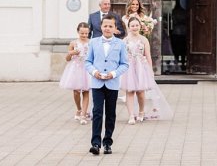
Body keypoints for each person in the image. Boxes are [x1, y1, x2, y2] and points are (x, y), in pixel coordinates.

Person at [85, 15, 129, 156]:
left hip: (112, 83)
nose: (108, 28)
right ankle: (96, 143)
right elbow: (87, 62)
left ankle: (107, 143)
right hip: (97, 83)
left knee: (110, 114)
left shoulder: (121, 44)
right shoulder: (93, 42)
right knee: (97, 112)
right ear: (101, 27)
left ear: (115, 28)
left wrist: (114, 74)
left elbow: (125, 64)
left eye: (111, 26)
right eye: (105, 26)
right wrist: (94, 72)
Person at [120, 16, 173, 123]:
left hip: (141, 67)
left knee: (140, 91)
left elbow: (148, 55)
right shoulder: (124, 40)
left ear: (140, 26)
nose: (134, 27)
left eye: (136, 25)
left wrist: (150, 70)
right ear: (129, 27)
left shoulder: (144, 40)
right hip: (129, 68)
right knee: (129, 91)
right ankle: (131, 115)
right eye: (132, 26)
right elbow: (121, 56)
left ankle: (141, 111)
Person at [59, 22, 91, 125]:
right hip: (75, 68)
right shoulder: (73, 43)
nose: (84, 35)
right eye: (82, 33)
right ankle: (79, 108)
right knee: (76, 92)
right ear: (78, 32)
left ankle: (84, 114)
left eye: (86, 33)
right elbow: (68, 59)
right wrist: (71, 53)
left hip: (86, 69)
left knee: (86, 91)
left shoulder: (91, 43)